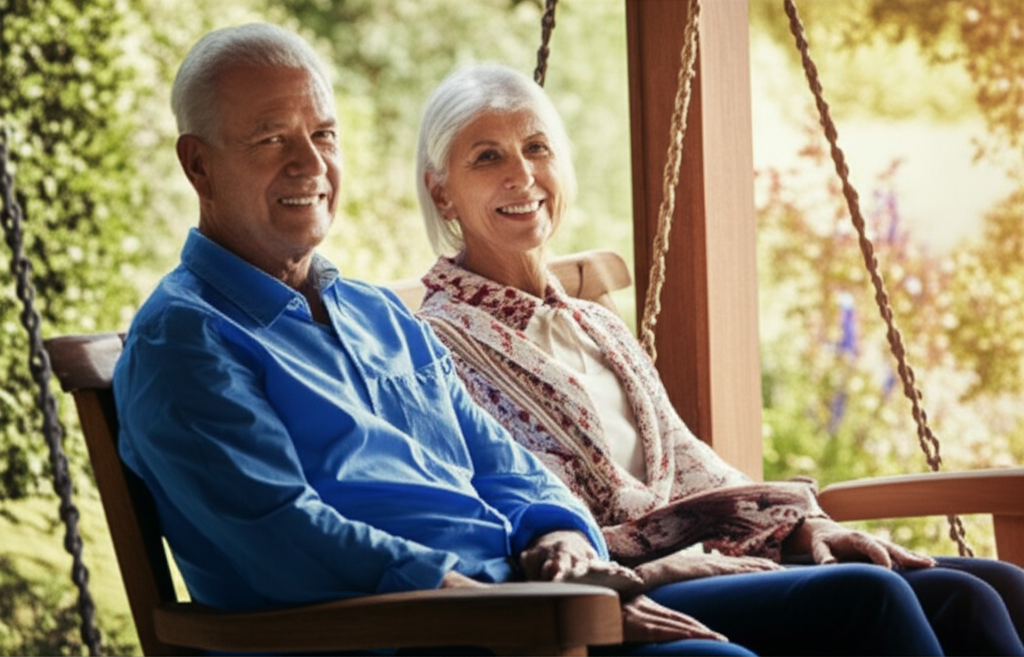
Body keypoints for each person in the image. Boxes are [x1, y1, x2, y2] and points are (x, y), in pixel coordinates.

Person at [111, 22, 762, 657]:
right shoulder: (186, 341)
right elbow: (281, 534)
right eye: (271, 138)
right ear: (198, 164)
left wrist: (561, 537)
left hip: (517, 609)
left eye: (323, 134)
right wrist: (486, 599)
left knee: (856, 602)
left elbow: (502, 461)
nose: (310, 163)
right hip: (417, 631)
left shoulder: (375, 313)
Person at [414, 61, 1024, 656]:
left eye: (537, 147)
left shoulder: (594, 323)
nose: (522, 174)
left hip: (710, 553)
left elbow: (685, 458)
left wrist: (805, 523)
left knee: (986, 589)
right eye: (487, 157)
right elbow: (520, 505)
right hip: (626, 589)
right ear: (443, 193)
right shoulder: (433, 344)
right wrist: (675, 554)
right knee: (872, 595)